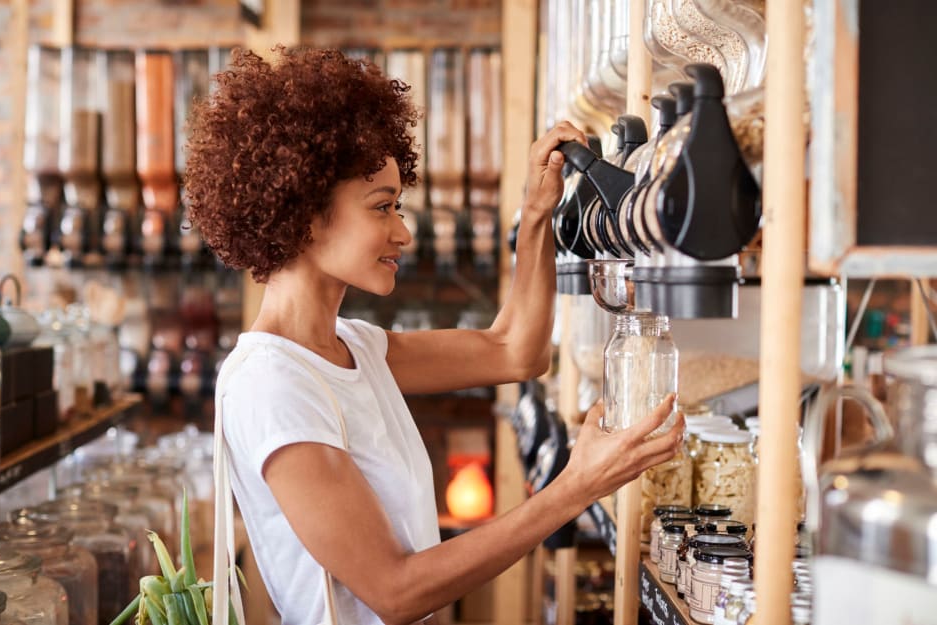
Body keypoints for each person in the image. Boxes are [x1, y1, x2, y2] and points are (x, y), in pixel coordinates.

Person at [186, 47, 684, 625]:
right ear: (303, 213)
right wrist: (576, 487)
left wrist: (537, 212)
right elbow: (394, 591)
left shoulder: (355, 349)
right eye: (382, 207)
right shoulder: (273, 385)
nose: (403, 231)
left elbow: (514, 351)